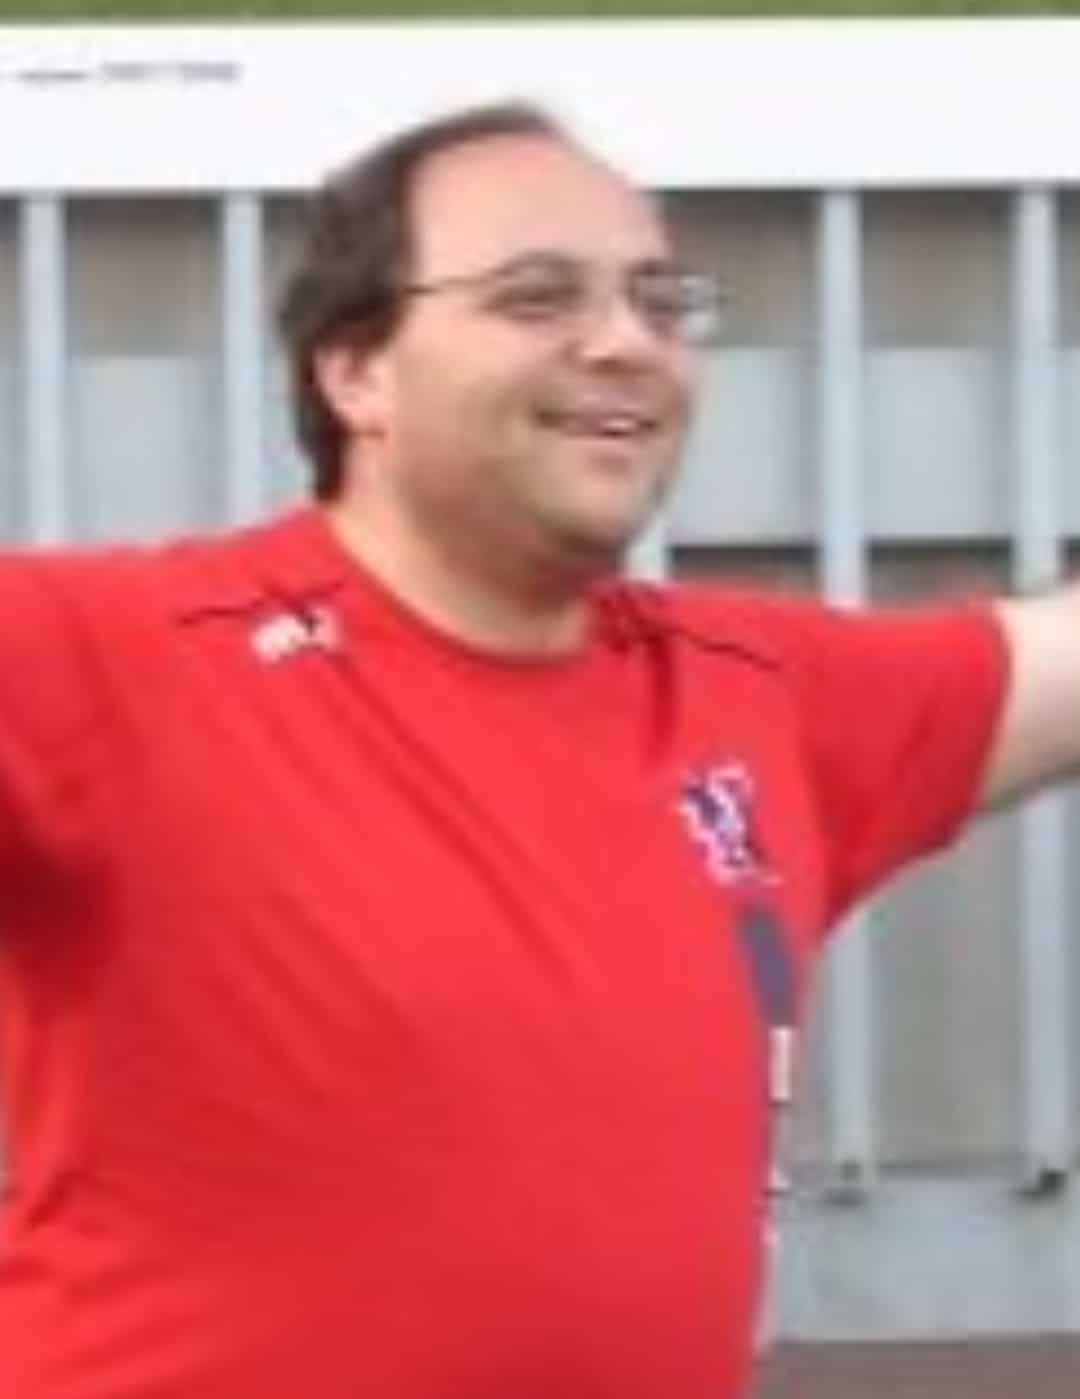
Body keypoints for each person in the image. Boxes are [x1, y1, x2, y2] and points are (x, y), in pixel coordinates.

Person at [0, 101, 1076, 1399]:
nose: (625, 342)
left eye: (659, 300)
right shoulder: (121, 661)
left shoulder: (762, 697)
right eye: (536, 297)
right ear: (357, 373)